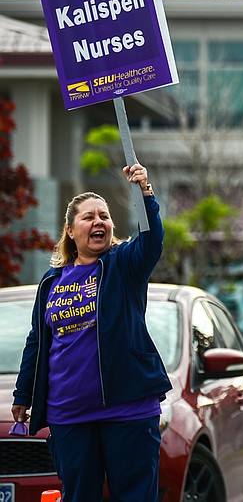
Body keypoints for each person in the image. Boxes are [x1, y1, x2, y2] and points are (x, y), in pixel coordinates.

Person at [12, 163, 168, 502]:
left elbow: (152, 239)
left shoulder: (124, 264)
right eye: (88, 217)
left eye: (104, 216)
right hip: (68, 413)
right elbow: (38, 341)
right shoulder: (51, 282)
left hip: (128, 409)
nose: (99, 221)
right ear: (70, 230)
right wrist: (23, 394)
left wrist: (145, 192)